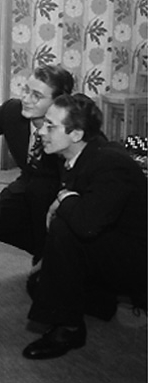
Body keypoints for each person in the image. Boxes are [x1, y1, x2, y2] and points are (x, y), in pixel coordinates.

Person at [22, 93, 147, 360]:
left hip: (139, 261)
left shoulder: (110, 163)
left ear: (76, 134)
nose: (41, 131)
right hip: (114, 244)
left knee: (64, 228)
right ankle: (101, 301)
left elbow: (86, 225)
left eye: (50, 126)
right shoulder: (79, 154)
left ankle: (69, 330)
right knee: (40, 284)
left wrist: (62, 198)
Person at [0, 65, 74, 275]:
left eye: (37, 95)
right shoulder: (13, 111)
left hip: (60, 188)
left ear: (58, 101)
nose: (26, 99)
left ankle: (50, 260)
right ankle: (44, 251)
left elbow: (89, 165)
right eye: (26, 90)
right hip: (28, 181)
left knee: (42, 197)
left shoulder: (70, 123)